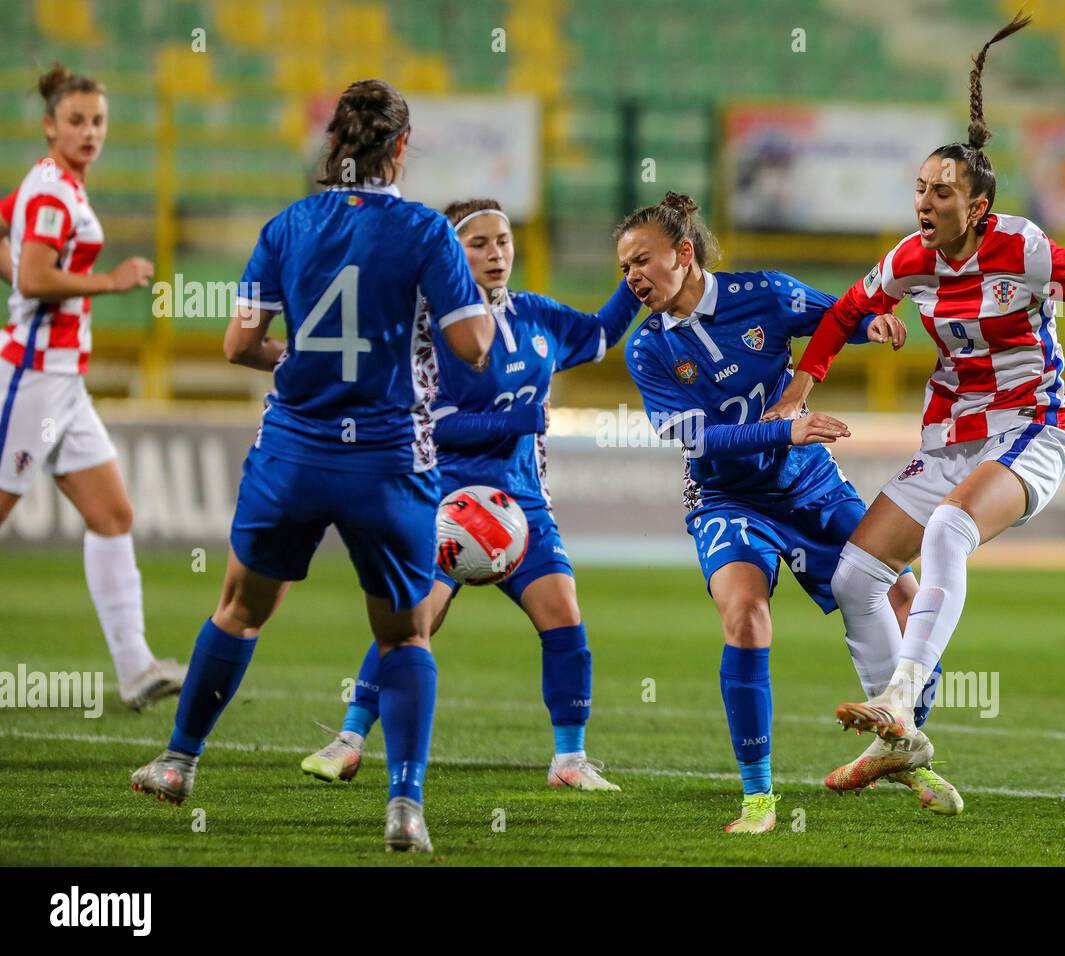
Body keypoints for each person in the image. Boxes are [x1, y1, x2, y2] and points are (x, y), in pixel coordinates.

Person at [762, 13, 1065, 793]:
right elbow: (846, 311)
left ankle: (899, 697)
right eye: (919, 188)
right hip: (952, 438)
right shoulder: (910, 259)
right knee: (855, 575)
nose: (924, 202)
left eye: (941, 191)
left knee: (951, 527)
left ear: (978, 207)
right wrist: (799, 385)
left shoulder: (1021, 249)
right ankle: (902, 738)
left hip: (1031, 432)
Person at [128, 80, 495, 853]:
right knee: (403, 639)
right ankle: (405, 806)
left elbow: (236, 345)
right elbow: (474, 349)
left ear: (333, 148)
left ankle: (177, 760)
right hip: (389, 461)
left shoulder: (288, 224)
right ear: (400, 149)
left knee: (240, 609)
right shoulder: (429, 233)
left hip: (294, 451)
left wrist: (296, 355)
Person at [618, 190, 959, 834]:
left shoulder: (763, 293)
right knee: (747, 616)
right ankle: (758, 797)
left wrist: (873, 324)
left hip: (811, 488)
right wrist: (786, 430)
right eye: (624, 268)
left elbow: (834, 319)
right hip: (728, 498)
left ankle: (899, 743)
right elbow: (697, 440)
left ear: (684, 254)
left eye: (643, 260)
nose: (633, 277)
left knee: (908, 601)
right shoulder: (648, 350)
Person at [301, 197, 641, 791]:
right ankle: (348, 740)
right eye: (478, 244)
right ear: (452, 255)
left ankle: (569, 761)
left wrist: (637, 283)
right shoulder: (433, 331)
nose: (495, 254)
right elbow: (435, 423)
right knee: (412, 624)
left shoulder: (537, 316)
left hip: (522, 506)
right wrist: (516, 421)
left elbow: (598, 334)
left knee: (564, 619)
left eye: (503, 241)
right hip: (446, 507)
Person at [0, 64, 183, 709]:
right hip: (29, 380)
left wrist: (18, 261)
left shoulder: (54, 187)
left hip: (62, 383)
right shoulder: (53, 193)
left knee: (113, 515)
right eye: (76, 121)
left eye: (98, 121)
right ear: (50, 125)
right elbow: (33, 276)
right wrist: (112, 281)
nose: (89, 132)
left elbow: (10, 239)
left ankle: (135, 668)